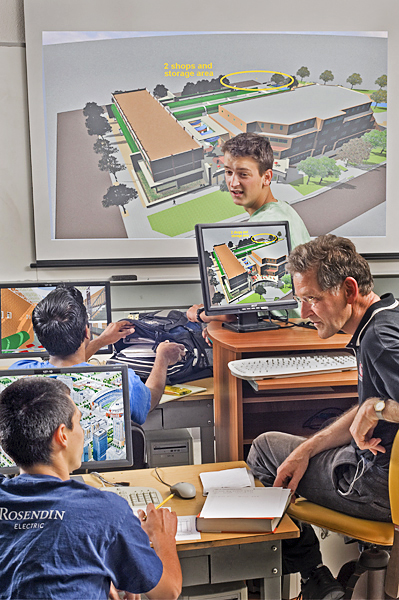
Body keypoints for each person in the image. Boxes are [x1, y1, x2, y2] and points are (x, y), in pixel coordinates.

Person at [246, 234, 399, 600]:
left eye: (313, 298)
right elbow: (367, 412)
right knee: (288, 449)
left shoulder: (379, 338)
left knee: (264, 451)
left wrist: (375, 408)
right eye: (301, 300)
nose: (303, 313)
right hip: (380, 473)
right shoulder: (388, 320)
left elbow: (375, 409)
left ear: (349, 289)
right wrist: (307, 449)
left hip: (376, 487)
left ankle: (313, 577)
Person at [0, 376, 182, 599]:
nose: (83, 430)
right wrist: (163, 538)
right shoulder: (106, 511)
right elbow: (167, 591)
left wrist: (96, 578)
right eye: (79, 421)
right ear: (62, 435)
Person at [10, 286, 186, 424]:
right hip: (105, 472)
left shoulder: (17, 374)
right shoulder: (120, 378)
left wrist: (101, 341)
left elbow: (67, 366)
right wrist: (162, 360)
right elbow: (150, 400)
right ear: (87, 331)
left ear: (41, 338)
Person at [187, 132, 310, 328]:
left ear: (267, 177)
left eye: (243, 174)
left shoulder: (265, 224)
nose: (233, 183)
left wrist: (200, 313)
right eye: (228, 172)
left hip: (281, 333)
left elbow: (234, 314)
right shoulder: (284, 210)